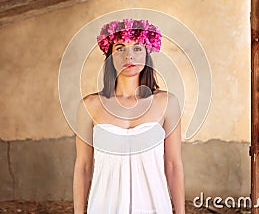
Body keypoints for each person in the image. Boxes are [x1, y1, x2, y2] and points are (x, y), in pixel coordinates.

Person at [73, 19, 185, 214]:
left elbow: (173, 164)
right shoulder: (89, 106)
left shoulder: (167, 103)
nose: (129, 56)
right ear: (110, 56)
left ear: (147, 54)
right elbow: (83, 166)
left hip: (154, 206)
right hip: (104, 206)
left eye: (137, 48)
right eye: (120, 48)